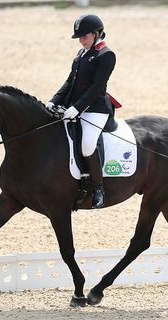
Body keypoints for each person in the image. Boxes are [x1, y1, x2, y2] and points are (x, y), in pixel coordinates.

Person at [46, 14, 116, 209]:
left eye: (85, 36)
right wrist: (53, 101)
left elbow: (96, 88)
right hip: (73, 107)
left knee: (87, 145)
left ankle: (98, 187)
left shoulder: (106, 55)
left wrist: (77, 108)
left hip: (95, 109)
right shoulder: (81, 54)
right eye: (80, 37)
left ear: (97, 34)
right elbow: (70, 82)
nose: (81, 40)